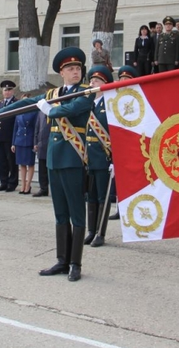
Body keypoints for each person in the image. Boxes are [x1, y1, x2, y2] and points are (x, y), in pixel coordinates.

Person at [0, 47, 94, 282]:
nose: (75, 72)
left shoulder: (86, 92)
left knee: (76, 213)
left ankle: (75, 263)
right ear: (61, 73)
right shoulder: (53, 93)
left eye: (78, 68)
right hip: (54, 159)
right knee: (60, 213)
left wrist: (50, 109)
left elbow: (72, 109)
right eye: (70, 69)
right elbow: (26, 103)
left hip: (73, 158)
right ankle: (61, 260)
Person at [84, 65, 114, 247]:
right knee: (91, 196)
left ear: (105, 84)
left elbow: (116, 133)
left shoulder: (110, 105)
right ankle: (91, 230)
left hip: (104, 157)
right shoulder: (88, 104)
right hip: (89, 158)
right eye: (92, 81)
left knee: (103, 197)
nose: (93, 83)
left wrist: (115, 159)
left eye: (97, 81)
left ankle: (100, 234)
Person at [0, 80, 18, 192]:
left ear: (13, 91)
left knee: (11, 161)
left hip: (10, 136)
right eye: (5, 90)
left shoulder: (16, 103)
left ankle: (12, 183)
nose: (7, 92)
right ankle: (3, 182)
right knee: (1, 161)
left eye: (9, 90)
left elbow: (16, 122)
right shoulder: (0, 104)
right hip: (0, 136)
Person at [12, 93, 38, 195]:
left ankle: (28, 185)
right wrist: (13, 143)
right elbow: (15, 128)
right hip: (20, 140)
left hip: (29, 140)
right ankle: (22, 185)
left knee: (30, 164)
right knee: (21, 164)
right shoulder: (19, 112)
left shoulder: (34, 112)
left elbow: (36, 127)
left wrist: (35, 142)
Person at [32, 110, 50, 197]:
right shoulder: (41, 112)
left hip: (51, 143)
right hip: (41, 144)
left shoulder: (54, 109)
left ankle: (53, 190)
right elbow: (37, 127)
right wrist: (35, 142)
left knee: (50, 170)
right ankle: (43, 189)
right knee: (42, 169)